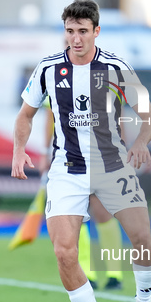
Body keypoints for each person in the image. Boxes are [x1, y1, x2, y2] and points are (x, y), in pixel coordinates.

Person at [12, 0, 151, 302]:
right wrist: (19, 150)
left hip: (113, 167)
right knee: (64, 252)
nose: (75, 39)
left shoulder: (115, 68)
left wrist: (140, 143)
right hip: (67, 170)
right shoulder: (48, 69)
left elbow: (150, 115)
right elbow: (25, 115)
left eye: (82, 31)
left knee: (143, 240)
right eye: (69, 31)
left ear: (96, 31)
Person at [40, 103, 124, 291]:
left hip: (102, 156)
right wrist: (47, 154)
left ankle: (114, 274)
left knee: (104, 214)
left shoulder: (107, 78)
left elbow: (119, 117)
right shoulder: (57, 76)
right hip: (70, 159)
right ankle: (87, 272)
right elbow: (50, 118)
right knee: (77, 216)